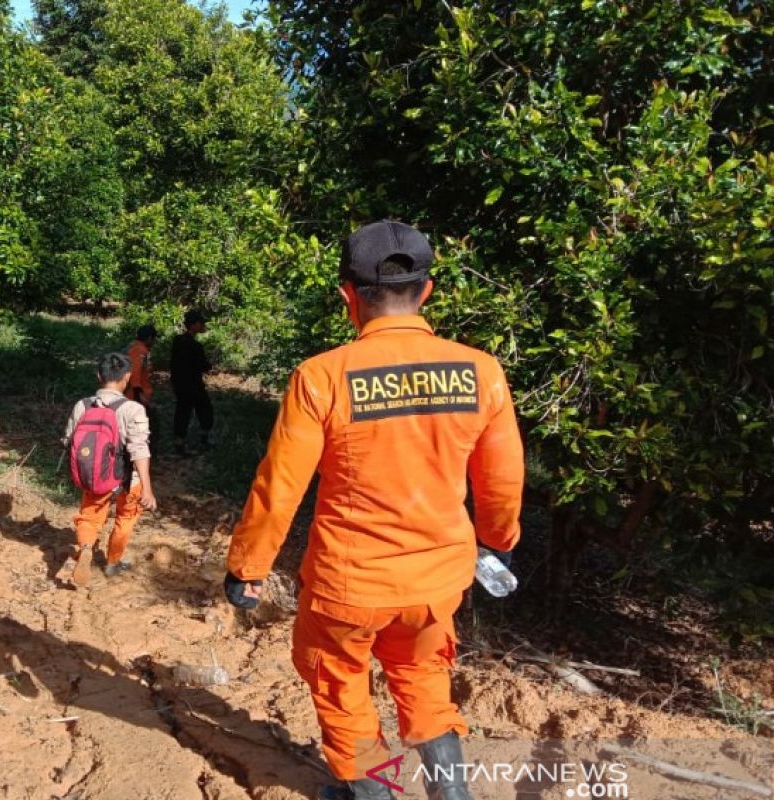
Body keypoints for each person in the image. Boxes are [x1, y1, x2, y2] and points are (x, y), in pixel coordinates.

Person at [222, 221, 524, 800]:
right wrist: (498, 541)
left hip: (347, 586)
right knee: (426, 684)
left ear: (347, 297)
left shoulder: (321, 377)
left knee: (343, 694)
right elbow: (503, 479)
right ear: (427, 291)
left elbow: (279, 488)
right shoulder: (481, 371)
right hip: (436, 584)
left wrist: (248, 567)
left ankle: (373, 791)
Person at [63, 352, 158, 587]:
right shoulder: (133, 409)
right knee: (125, 518)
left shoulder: (82, 405)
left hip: (96, 476)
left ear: (98, 376)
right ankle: (113, 562)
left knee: (89, 517)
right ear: (127, 377)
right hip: (128, 478)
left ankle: (86, 548)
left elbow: (68, 441)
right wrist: (147, 489)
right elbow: (139, 451)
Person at [170, 309, 214, 456]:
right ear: (194, 324)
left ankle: (180, 443)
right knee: (205, 410)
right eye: (201, 323)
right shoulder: (195, 346)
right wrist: (209, 366)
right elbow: (203, 365)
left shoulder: (177, 341)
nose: (203, 326)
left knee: (182, 412)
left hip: (179, 384)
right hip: (193, 385)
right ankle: (204, 439)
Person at [127, 324, 159, 446]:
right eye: (154, 339)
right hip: (136, 397)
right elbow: (135, 373)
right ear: (150, 338)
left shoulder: (138, 349)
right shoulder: (139, 351)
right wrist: (139, 395)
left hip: (139, 396)